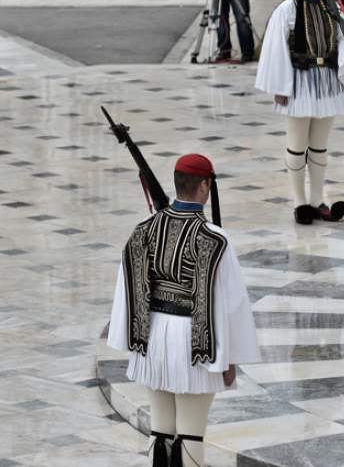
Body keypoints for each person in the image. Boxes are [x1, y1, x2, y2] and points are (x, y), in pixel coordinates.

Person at [108, 154, 260, 467]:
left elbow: (127, 289)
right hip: (195, 344)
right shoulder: (215, 239)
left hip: (151, 337)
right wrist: (228, 356)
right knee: (190, 434)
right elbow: (231, 301)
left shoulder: (144, 229)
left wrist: (131, 341)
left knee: (160, 429)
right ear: (205, 186)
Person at [255, 0, 344, 225]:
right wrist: (279, 87)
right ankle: (299, 202)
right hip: (298, 83)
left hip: (327, 82)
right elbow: (276, 48)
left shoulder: (333, 8)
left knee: (319, 147)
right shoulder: (288, 8)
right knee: (296, 145)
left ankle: (317, 201)